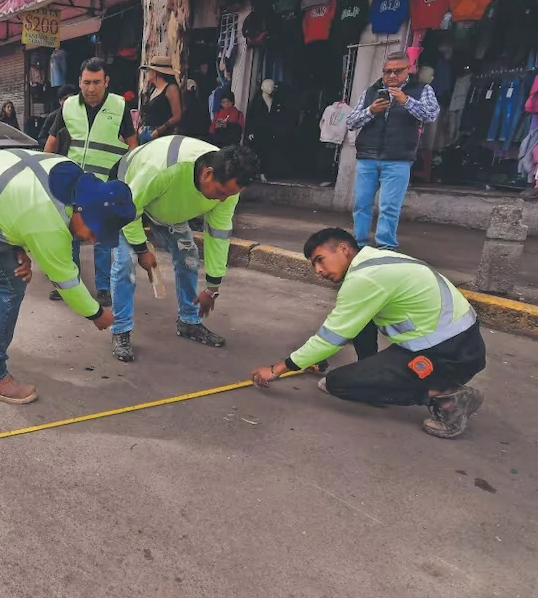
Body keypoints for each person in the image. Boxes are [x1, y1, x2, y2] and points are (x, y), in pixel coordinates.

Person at [0, 150, 135, 403]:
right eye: (95, 231)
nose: (93, 240)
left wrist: (18, 245)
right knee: (9, 283)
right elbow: (66, 280)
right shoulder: (48, 221)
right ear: (83, 210)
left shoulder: (68, 174)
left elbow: (12, 204)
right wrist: (96, 314)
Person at [250, 228, 485, 439]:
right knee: (362, 323)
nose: (318, 271)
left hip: (446, 353)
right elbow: (351, 325)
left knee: (335, 383)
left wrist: (276, 370)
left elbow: (330, 337)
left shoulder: (365, 278)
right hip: (459, 343)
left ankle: (448, 396)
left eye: (320, 260)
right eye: (314, 265)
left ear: (343, 249)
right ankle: (374, 374)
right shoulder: (376, 261)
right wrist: (316, 358)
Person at [110, 137, 260, 361]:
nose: (222, 200)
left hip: (168, 207)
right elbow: (129, 209)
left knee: (189, 257)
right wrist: (142, 250)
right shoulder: (162, 169)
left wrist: (212, 288)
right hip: (127, 197)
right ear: (207, 174)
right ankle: (121, 330)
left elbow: (218, 235)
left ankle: (189, 322)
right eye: (220, 192)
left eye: (229, 195)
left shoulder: (228, 189)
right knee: (124, 264)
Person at [44, 58, 139, 307]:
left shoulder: (119, 106)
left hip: (103, 184)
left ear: (106, 82)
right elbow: (52, 141)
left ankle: (104, 288)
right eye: (86, 82)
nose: (91, 88)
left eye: (97, 82)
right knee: (70, 236)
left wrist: (128, 175)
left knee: (102, 237)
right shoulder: (69, 107)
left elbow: (132, 143)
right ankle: (69, 283)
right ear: (79, 82)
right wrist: (46, 172)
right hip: (72, 184)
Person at [346, 51, 440, 250]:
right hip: (368, 156)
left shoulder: (421, 89)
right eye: (387, 71)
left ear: (409, 69)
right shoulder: (372, 90)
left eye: (398, 71)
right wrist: (371, 110)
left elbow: (431, 114)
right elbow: (351, 122)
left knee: (389, 207)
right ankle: (359, 244)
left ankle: (385, 247)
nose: (392, 76)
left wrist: (406, 100)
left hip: (398, 158)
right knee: (361, 204)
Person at [138, 56, 183, 143]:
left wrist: (159, 130)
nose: (147, 73)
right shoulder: (153, 89)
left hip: (161, 135)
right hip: (145, 132)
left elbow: (177, 116)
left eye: (149, 71)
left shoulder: (171, 88)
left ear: (155, 72)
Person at [38, 84, 79, 150]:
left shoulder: (81, 114)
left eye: (71, 98)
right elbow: (41, 138)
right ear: (60, 101)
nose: (68, 101)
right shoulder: (52, 117)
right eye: (65, 99)